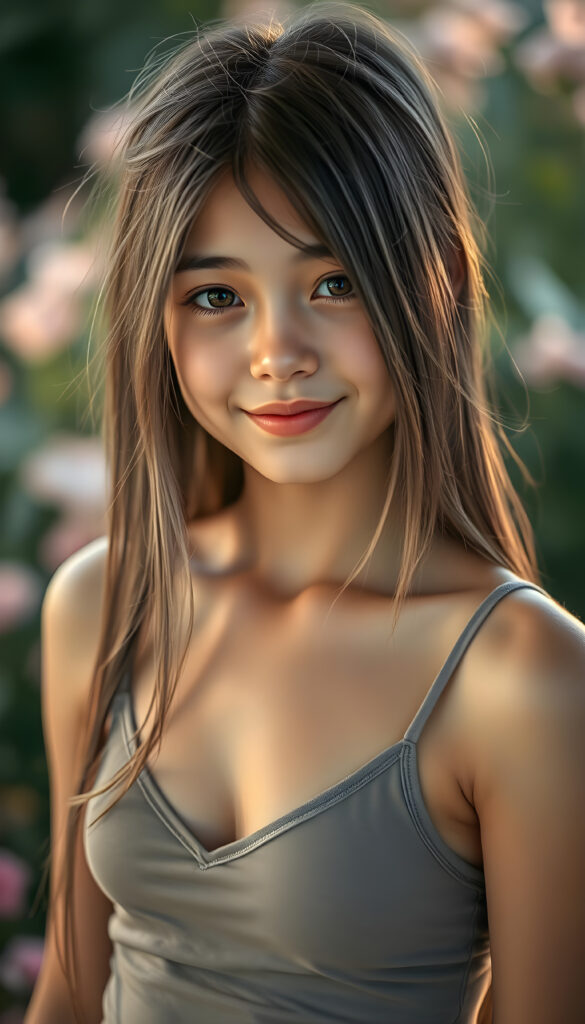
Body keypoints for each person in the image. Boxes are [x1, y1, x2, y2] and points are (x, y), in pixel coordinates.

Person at [25, 3, 585, 1022]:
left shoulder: (522, 676)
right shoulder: (103, 602)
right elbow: (70, 988)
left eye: (333, 282)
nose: (278, 351)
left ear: (440, 285)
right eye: (216, 297)